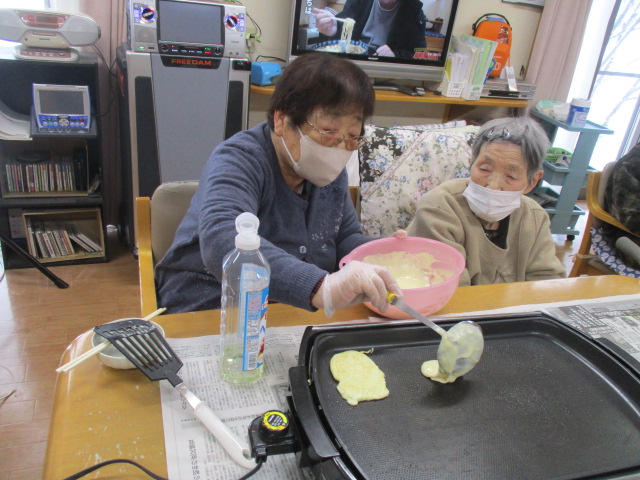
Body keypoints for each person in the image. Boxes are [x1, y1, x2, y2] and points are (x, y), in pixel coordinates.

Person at [155, 53, 402, 315]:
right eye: (329, 132)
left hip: (284, 309)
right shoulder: (240, 158)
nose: (339, 148)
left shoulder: (330, 173)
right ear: (281, 120)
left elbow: (344, 238)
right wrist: (322, 287)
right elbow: (221, 239)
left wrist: (384, 256)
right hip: (211, 304)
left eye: (352, 137)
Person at [406, 116, 566, 286]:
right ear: (471, 164)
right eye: (484, 169)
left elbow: (547, 281)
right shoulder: (440, 207)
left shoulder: (534, 217)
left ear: (532, 181)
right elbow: (449, 286)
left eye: (511, 176)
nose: (493, 185)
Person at [313, 0, 426, 59]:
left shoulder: (413, 11)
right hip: (353, 63)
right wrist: (332, 32)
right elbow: (340, 32)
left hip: (385, 69)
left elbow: (420, 52)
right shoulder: (358, 2)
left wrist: (395, 55)